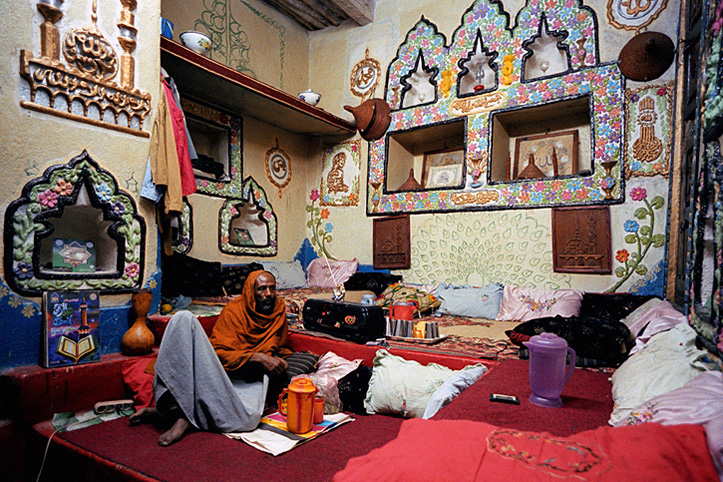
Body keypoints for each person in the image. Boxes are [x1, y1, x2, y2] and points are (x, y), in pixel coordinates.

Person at [129, 270, 294, 446]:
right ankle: (183, 418)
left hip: (248, 379)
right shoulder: (234, 311)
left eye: (272, 288)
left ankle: (167, 414)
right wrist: (257, 357)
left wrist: (281, 361)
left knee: (250, 419)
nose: (268, 294)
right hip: (221, 372)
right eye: (262, 289)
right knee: (183, 318)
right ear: (250, 291)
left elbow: (280, 345)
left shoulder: (278, 310)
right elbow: (218, 353)